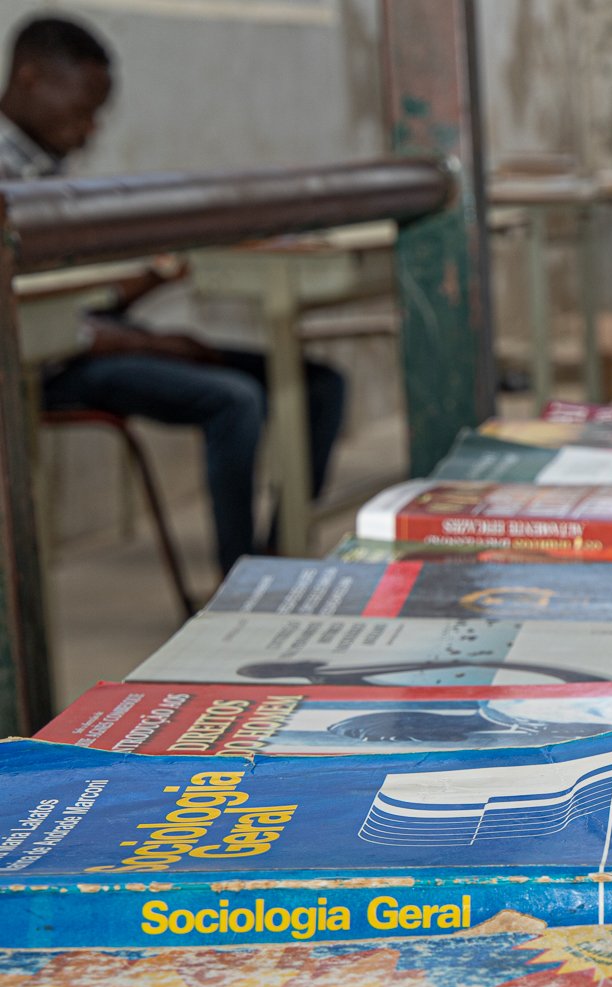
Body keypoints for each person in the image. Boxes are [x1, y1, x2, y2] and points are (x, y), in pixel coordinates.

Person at [0, 14, 347, 574]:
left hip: (92, 339)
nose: (91, 129)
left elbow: (85, 299)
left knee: (321, 385)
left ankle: (278, 559)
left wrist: (169, 268)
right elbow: (33, 322)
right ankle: (241, 586)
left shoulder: (46, 169)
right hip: (44, 365)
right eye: (84, 109)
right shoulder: (8, 176)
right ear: (32, 79)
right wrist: (161, 347)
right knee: (233, 400)